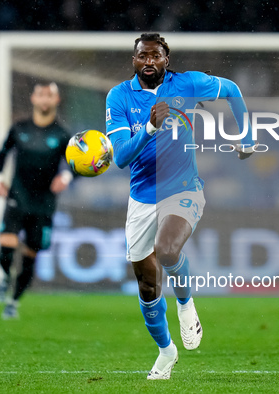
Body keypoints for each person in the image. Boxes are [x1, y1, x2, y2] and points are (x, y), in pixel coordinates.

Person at [105, 33, 257, 380]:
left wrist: (246, 134)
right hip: (142, 197)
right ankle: (165, 352)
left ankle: (186, 303)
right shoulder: (119, 97)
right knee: (147, 286)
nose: (148, 62)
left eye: (155, 56)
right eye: (142, 56)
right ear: (134, 61)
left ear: (165, 60)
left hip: (184, 189)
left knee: (168, 250)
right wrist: (149, 127)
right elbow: (122, 158)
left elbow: (232, 89)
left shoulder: (187, 84)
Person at [0, 82, 73, 319]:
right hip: (17, 196)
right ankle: (6, 276)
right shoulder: (19, 128)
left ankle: (13, 302)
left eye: (49, 95)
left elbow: (76, 163)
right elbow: (2, 152)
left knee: (30, 256)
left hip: (44, 204)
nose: (44, 99)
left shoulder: (62, 134)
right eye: (41, 94)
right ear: (33, 98)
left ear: (56, 101)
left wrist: (66, 176)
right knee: (5, 249)